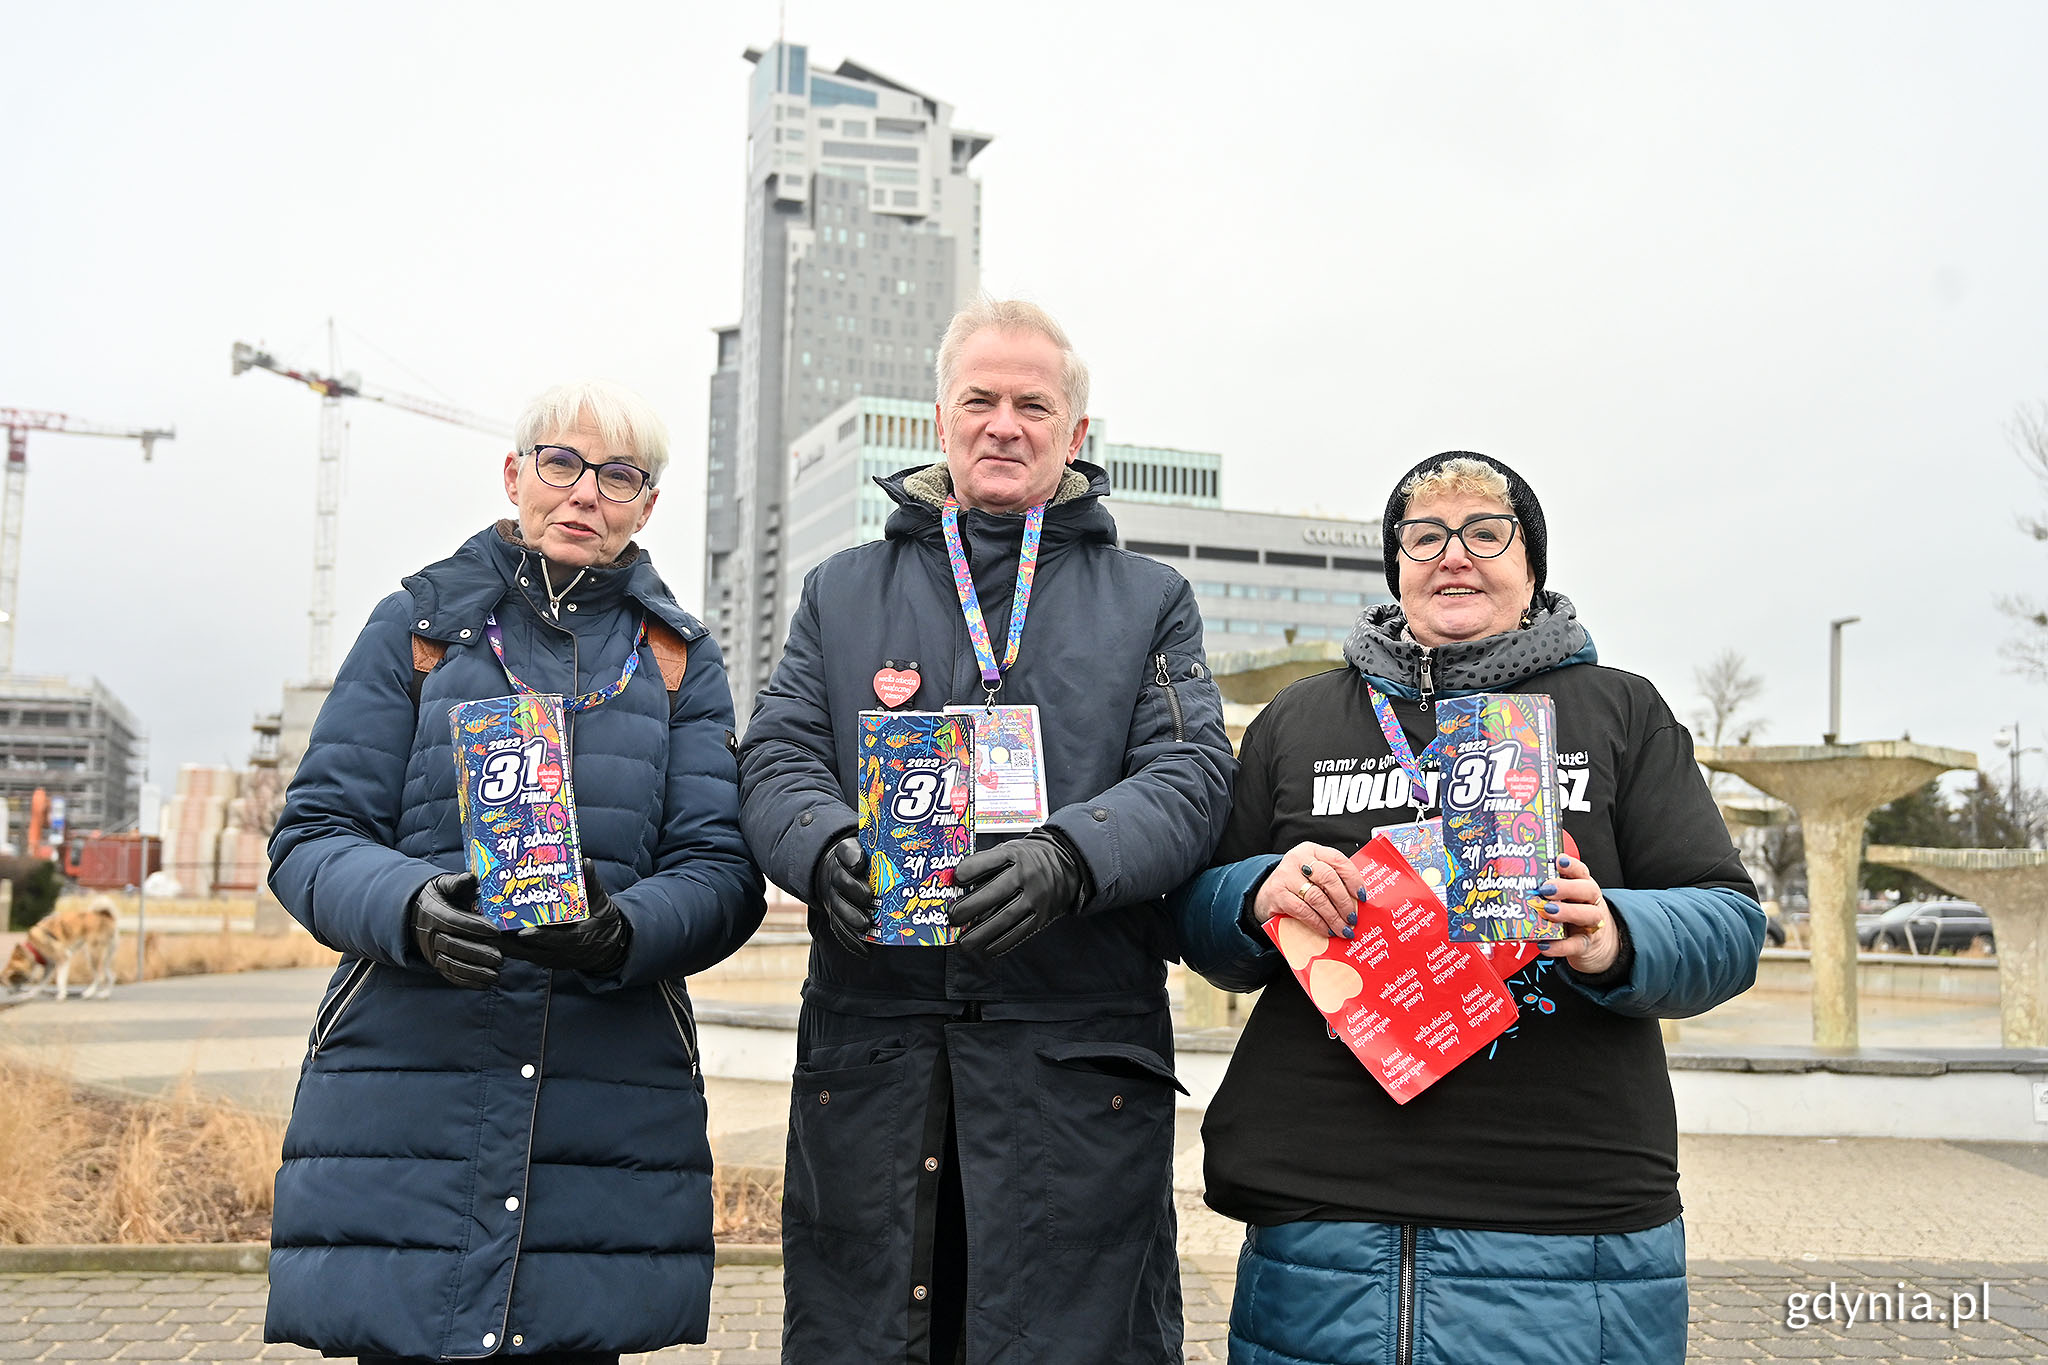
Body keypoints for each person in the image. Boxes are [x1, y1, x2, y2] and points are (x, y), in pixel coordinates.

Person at [1174, 451, 1764, 1365]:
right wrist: (1254, 894)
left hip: (1566, 1216)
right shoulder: (1302, 718)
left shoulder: (1618, 712)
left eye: (1487, 533)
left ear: (1530, 565)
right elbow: (1198, 920)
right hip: (1325, 1212)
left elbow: (1729, 922)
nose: (1455, 554)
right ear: (1395, 564)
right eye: (1425, 535)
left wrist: (1615, 934)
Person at [739, 298, 1237, 1363]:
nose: (1003, 424)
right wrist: (824, 847)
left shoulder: (1150, 599)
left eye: (1031, 404)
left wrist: (1072, 856)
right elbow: (776, 757)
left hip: (1070, 1065)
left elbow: (1193, 773)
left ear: (1075, 436)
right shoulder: (841, 590)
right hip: (877, 1053)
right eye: (980, 399)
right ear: (938, 418)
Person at [264, 379, 764, 1364]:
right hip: (410, 1085)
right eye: (562, 463)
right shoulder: (415, 628)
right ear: (516, 473)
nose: (585, 493)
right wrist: (409, 908)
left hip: (602, 1093)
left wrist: (625, 931)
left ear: (647, 506)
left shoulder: (677, 662)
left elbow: (719, 871)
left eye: (618, 476)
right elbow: (311, 836)